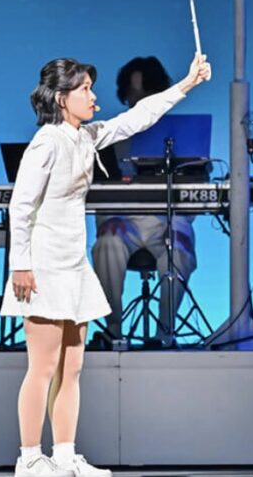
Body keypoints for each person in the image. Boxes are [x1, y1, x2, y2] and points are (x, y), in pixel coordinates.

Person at [0, 53, 210, 477]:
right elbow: (20, 206)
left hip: (73, 264)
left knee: (72, 367)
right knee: (42, 368)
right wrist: (21, 265)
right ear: (61, 98)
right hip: (44, 266)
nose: (94, 97)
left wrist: (187, 84)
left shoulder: (86, 137)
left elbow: (137, 118)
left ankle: (64, 455)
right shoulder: (46, 142)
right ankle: (30, 458)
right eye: (85, 89)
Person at [90, 57, 197, 346]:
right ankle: (113, 330)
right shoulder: (113, 136)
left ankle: (165, 334)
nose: (138, 102)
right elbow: (100, 191)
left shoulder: (180, 138)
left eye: (145, 94)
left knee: (179, 248)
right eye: (133, 95)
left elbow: (195, 193)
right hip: (125, 223)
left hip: (166, 223)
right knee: (106, 243)